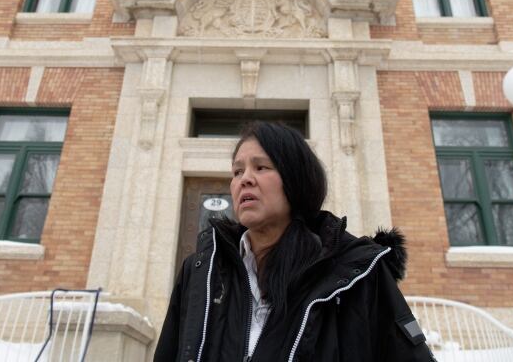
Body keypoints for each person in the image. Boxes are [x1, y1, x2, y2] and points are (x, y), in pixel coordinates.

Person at [154, 121, 436, 362]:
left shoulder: (357, 273)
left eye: (261, 167)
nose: (245, 180)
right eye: (237, 171)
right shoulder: (200, 271)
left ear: (296, 180)